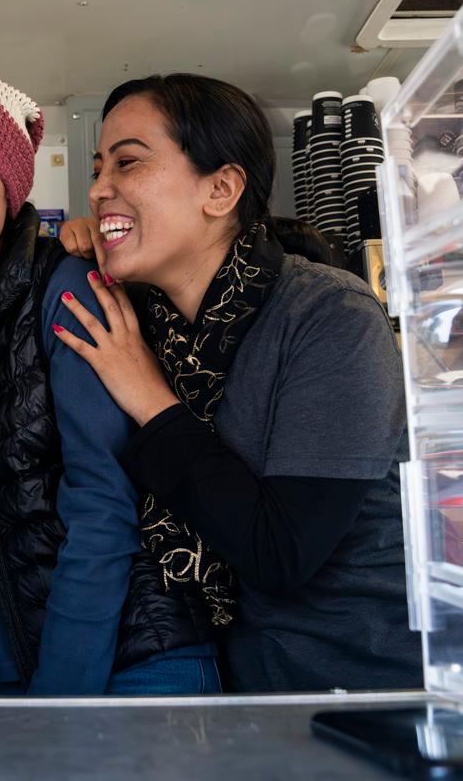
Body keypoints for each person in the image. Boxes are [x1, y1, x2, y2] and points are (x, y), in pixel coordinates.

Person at [54, 73, 421, 693]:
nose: (99, 189)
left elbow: (281, 552)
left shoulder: (331, 315)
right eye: (97, 169)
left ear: (221, 189)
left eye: (128, 164)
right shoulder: (156, 323)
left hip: (368, 682)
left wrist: (148, 396)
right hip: (249, 685)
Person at [0, 72, 230, 697]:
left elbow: (103, 509)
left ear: (12, 187)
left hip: (123, 662)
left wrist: (60, 700)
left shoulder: (65, 289)